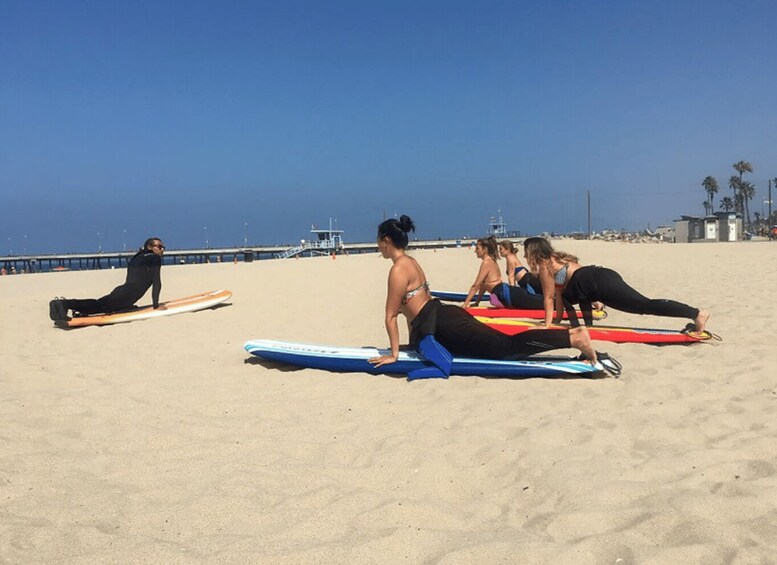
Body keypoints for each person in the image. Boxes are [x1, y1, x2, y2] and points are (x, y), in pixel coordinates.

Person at [368, 215, 618, 375]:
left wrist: (393, 355)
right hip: (445, 317)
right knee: (500, 343)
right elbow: (419, 307)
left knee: (505, 348)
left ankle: (573, 338)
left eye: (379, 242)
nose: (379, 247)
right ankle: (570, 336)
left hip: (444, 323)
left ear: (386, 240)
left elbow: (391, 316)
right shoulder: (412, 262)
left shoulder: (398, 270)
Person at [522, 236, 710, 333]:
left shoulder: (545, 266)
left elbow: (548, 298)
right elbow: (560, 296)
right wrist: (556, 320)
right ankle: (694, 314)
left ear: (533, 251)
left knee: (643, 305)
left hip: (597, 284)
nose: (524, 256)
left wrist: (547, 325)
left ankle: (696, 313)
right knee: (643, 304)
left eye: (525, 251)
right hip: (601, 276)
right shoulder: (557, 258)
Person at [49, 238, 166, 321]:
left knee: (99, 304)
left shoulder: (137, 258)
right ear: (149, 247)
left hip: (123, 291)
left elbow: (136, 279)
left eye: (163, 247)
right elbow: (156, 281)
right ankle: (63, 303)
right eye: (160, 246)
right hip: (127, 295)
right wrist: (156, 306)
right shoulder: (154, 258)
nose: (162, 249)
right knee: (100, 306)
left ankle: (69, 308)